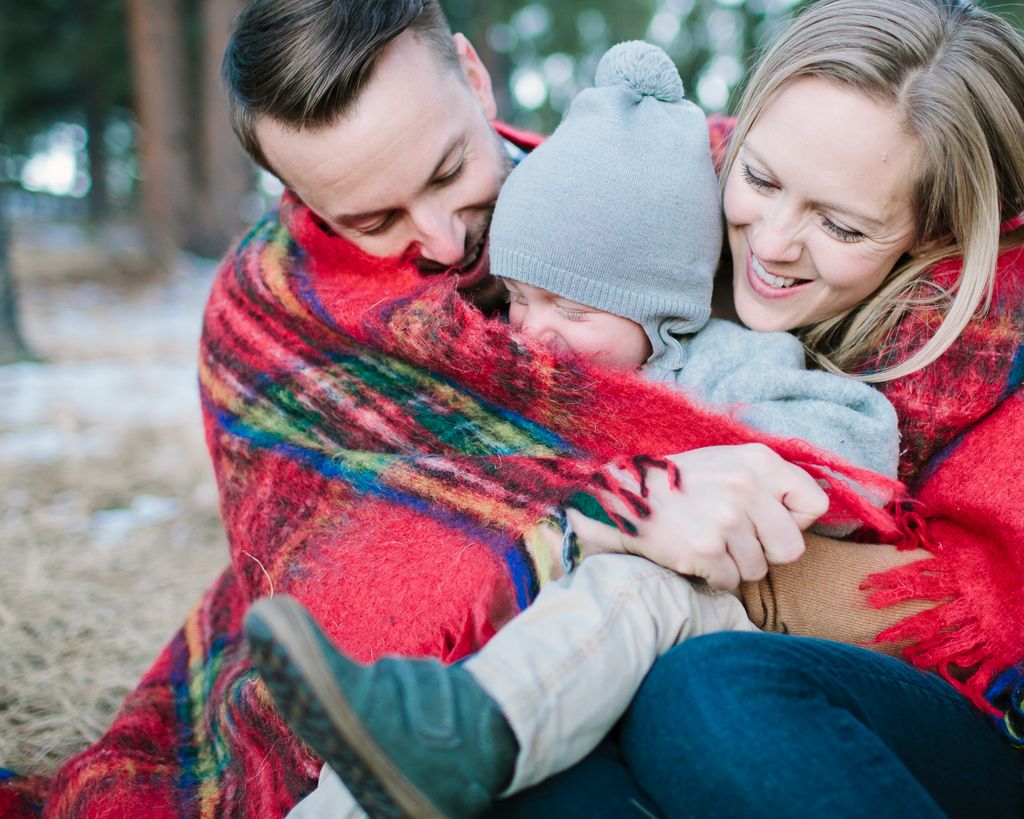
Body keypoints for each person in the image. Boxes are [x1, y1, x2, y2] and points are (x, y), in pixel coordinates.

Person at [252, 0, 1024, 817]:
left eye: (841, 225)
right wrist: (601, 509)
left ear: (934, 228)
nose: (770, 243)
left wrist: (702, 515)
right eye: (760, 179)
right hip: (625, 657)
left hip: (946, 716)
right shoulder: (660, 210)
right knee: (537, 781)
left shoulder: (991, 327)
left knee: (703, 686)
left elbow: (959, 595)